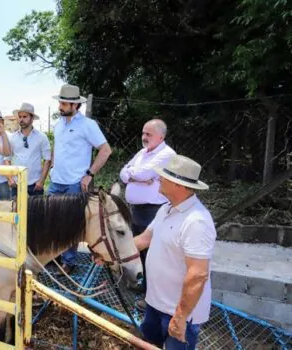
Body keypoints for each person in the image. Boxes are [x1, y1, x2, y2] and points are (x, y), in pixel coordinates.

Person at [134, 154, 216, 350]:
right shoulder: (166, 209)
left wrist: (180, 317)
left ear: (179, 185)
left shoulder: (197, 221)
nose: (159, 179)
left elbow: (198, 274)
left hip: (178, 313)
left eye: (164, 176)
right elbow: (144, 239)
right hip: (155, 303)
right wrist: (110, 254)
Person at [48, 84, 112, 274]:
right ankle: (54, 257)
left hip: (75, 183)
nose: (60, 106)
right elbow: (56, 150)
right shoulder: (58, 125)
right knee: (51, 221)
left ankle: (69, 262)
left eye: (64, 103)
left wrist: (89, 174)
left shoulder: (88, 125)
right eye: (60, 102)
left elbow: (106, 150)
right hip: (56, 181)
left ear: (75, 105)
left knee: (70, 224)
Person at [119, 119, 176, 310]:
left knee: (153, 254)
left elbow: (142, 174)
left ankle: (152, 298)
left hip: (154, 210)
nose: (144, 137)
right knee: (140, 252)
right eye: (143, 133)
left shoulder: (167, 154)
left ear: (161, 136)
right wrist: (139, 177)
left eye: (148, 134)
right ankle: (143, 287)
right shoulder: (143, 153)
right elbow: (123, 173)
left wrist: (135, 176)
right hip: (138, 211)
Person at [5, 102, 51, 197]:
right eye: (20, 117)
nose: (21, 119)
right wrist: (10, 179)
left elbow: (47, 160)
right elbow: (7, 159)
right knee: (16, 211)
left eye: (24, 117)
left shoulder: (41, 137)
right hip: (17, 184)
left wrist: (41, 181)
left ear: (32, 118)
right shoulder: (12, 138)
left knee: (36, 212)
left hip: (35, 185)